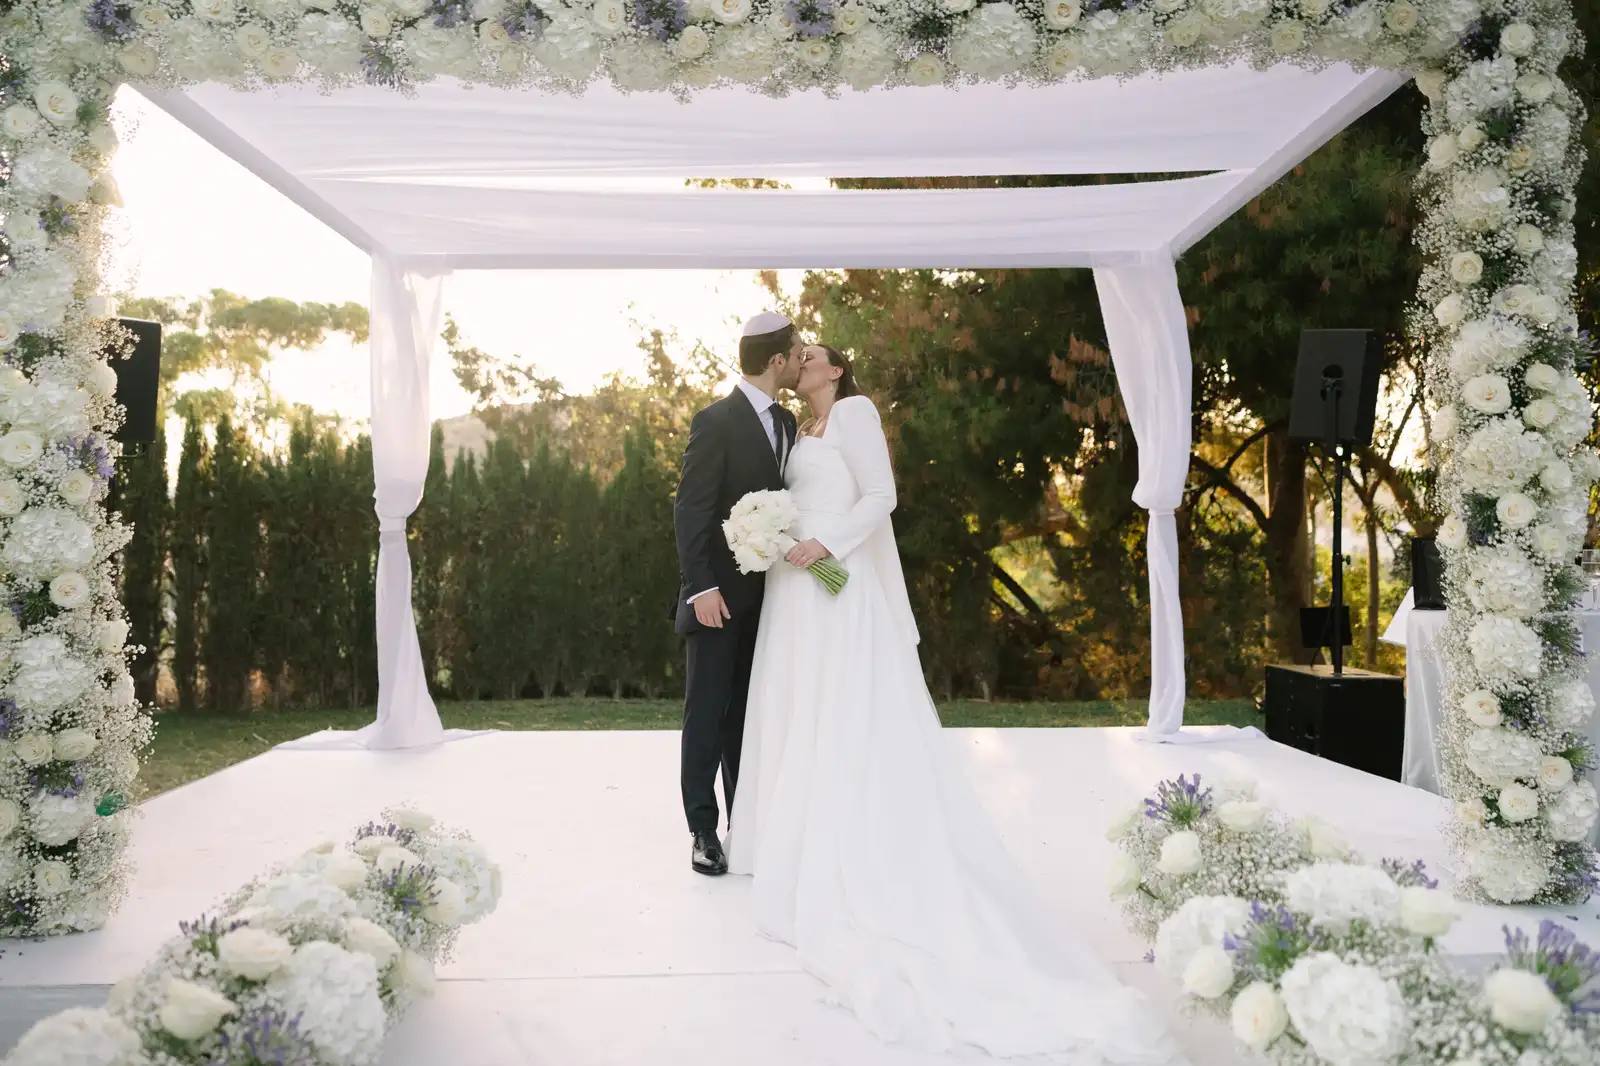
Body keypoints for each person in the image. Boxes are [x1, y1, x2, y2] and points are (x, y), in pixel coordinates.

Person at [727, 344, 1186, 1064]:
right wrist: (774, 533)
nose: (801, 359)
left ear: (836, 370)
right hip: (798, 588)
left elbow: (881, 498)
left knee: (843, 710)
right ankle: (789, 826)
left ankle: (849, 841)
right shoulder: (799, 429)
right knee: (798, 704)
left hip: (834, 580)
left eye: (811, 354)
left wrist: (824, 545)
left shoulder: (854, 411)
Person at [672, 311, 801, 876]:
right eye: (796, 352)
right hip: (717, 598)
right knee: (707, 712)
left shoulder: (790, 423)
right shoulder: (715, 420)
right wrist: (700, 586)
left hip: (770, 600)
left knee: (747, 716)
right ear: (776, 360)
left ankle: (741, 824)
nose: (800, 360)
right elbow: (691, 508)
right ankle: (702, 830)